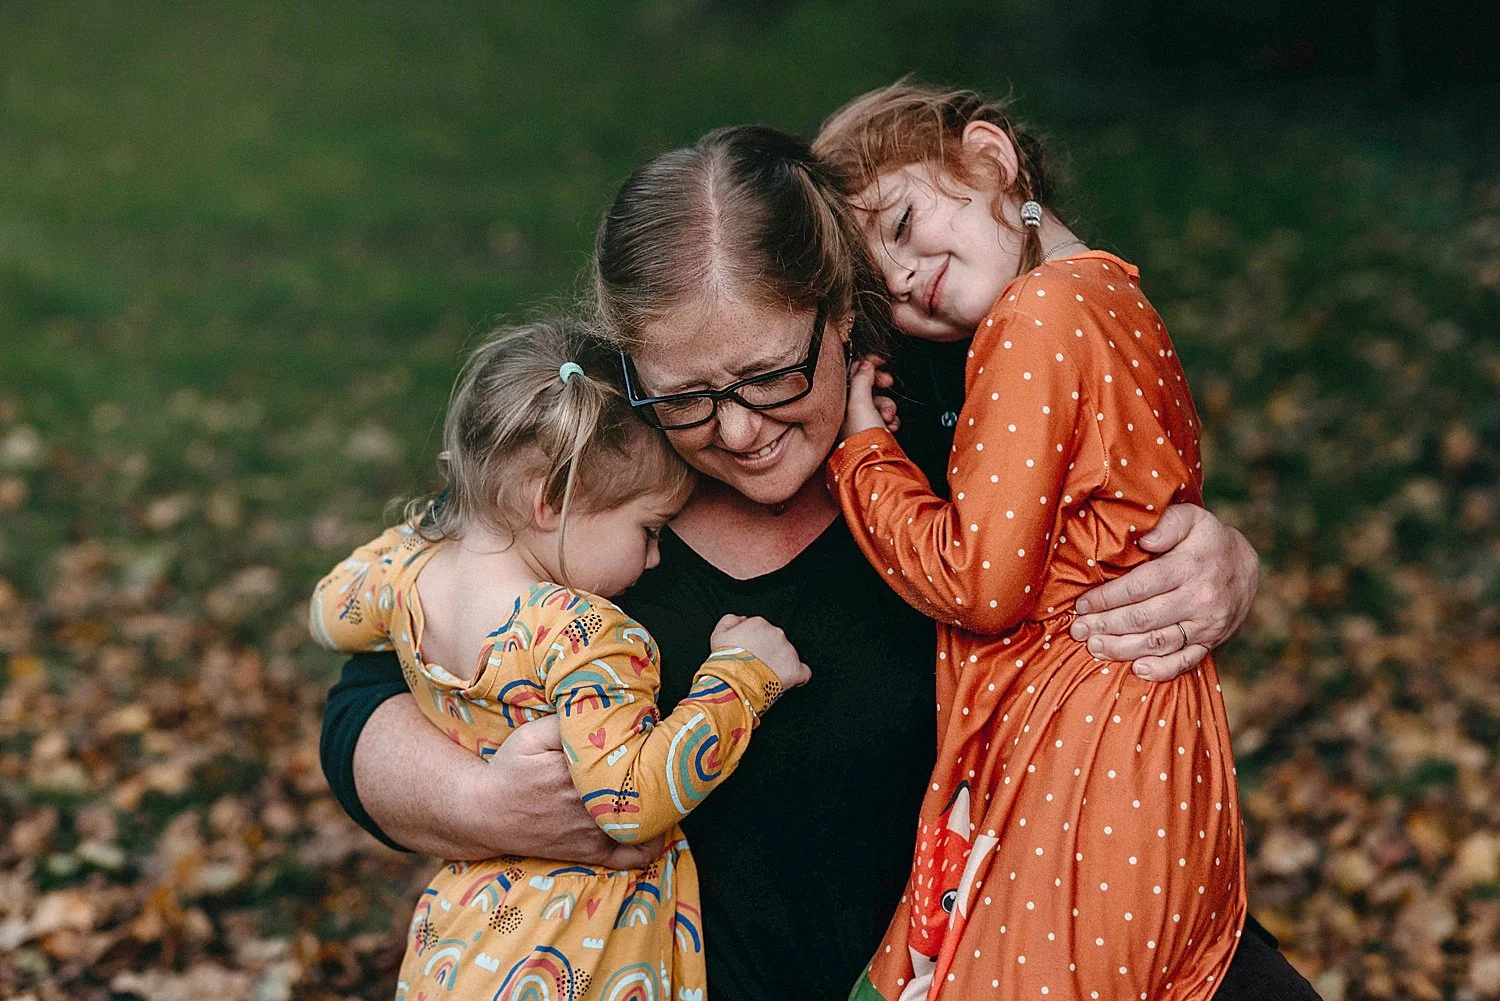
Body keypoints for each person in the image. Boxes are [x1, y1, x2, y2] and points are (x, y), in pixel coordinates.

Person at [320, 125, 1316, 1001]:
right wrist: (484, 804)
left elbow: (1121, 478)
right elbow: (361, 704)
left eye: (772, 375)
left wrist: (1216, 551)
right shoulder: (589, 495)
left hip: (1032, 949)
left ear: (844, 311)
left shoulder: (947, 432)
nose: (741, 429)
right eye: (688, 393)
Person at [817, 79, 1246, 1000]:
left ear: (991, 157)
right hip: (1162, 737)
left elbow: (980, 579)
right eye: (882, 287)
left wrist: (862, 456)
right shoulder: (1116, 295)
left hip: (1085, 745)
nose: (902, 279)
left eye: (901, 224)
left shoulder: (1031, 316)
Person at [309, 318, 809, 999]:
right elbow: (629, 801)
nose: (656, 556)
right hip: (579, 956)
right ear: (551, 501)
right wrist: (741, 680)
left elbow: (328, 611)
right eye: (648, 529)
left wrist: (437, 527)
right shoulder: (584, 634)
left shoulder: (408, 578)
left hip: (461, 945)